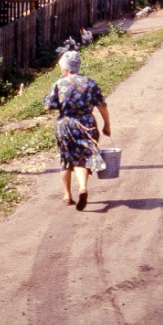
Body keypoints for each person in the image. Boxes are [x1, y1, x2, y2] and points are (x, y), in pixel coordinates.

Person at [44, 50, 111, 211]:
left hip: (66, 124)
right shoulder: (90, 83)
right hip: (86, 124)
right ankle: (82, 188)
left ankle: (67, 195)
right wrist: (107, 125)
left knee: (66, 159)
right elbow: (102, 106)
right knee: (83, 158)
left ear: (66, 67)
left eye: (61, 66)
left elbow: (48, 106)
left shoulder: (60, 84)